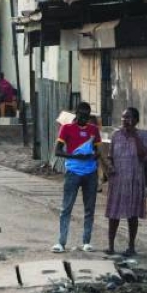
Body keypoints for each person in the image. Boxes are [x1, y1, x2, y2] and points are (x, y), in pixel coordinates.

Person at [53, 102, 102, 253]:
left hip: (90, 172)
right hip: (73, 171)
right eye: (81, 115)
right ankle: (61, 242)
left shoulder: (94, 130)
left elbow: (98, 151)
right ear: (76, 114)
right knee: (66, 208)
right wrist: (75, 155)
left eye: (87, 116)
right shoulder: (66, 128)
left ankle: (86, 241)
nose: (84, 119)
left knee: (90, 208)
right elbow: (57, 151)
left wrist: (93, 155)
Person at [104, 107, 147, 257]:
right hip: (117, 180)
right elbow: (110, 156)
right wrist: (110, 167)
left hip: (134, 180)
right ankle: (110, 246)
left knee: (133, 215)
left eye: (129, 118)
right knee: (114, 214)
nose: (125, 120)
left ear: (136, 121)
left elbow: (144, 155)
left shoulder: (142, 136)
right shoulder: (115, 135)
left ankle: (131, 247)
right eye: (124, 117)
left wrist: (134, 136)